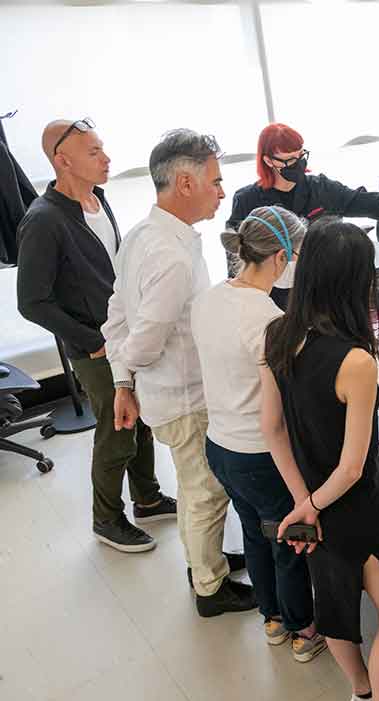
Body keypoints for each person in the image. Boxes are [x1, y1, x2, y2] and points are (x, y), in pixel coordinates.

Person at [262, 217, 379, 701]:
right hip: (357, 511)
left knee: (334, 609)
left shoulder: (276, 335)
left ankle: (362, 694)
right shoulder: (356, 361)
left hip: (314, 504)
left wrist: (302, 505)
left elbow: (272, 429)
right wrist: (312, 505)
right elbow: (353, 468)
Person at [102, 129, 254, 617]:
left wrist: (122, 382)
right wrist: (129, 370)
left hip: (167, 392)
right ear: (184, 183)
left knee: (196, 490)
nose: (223, 191)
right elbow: (142, 341)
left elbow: (115, 314)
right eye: (215, 180)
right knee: (205, 492)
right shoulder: (169, 257)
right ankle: (209, 588)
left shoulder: (145, 235)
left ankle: (204, 559)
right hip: (185, 398)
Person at [16, 118, 175, 552]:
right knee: (118, 428)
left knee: (140, 415)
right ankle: (106, 519)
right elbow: (31, 301)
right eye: (94, 153)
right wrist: (92, 340)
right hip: (95, 346)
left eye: (103, 150)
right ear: (62, 160)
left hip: (126, 334)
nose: (107, 160)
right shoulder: (43, 221)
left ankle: (147, 497)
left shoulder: (98, 199)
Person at [192, 206, 326, 661]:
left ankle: (271, 618)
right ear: (280, 257)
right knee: (289, 541)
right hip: (259, 454)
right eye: (299, 255)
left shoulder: (209, 299)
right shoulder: (268, 322)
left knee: (255, 533)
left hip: (220, 445)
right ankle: (303, 631)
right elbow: (284, 411)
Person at [225, 122, 379, 289]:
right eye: (289, 160)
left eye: (300, 155)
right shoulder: (247, 200)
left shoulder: (321, 188)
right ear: (268, 161)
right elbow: (236, 256)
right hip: (275, 291)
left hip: (323, 283)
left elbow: (370, 202)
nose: (298, 163)